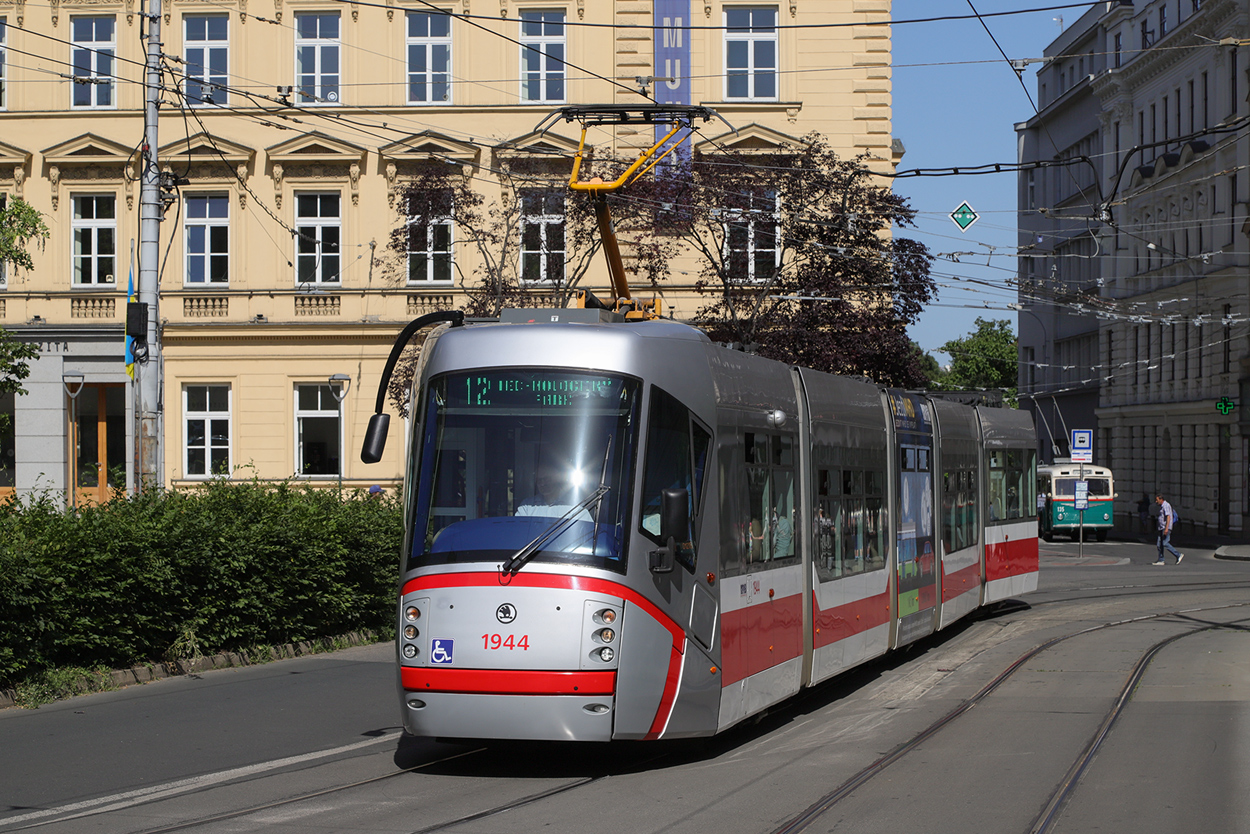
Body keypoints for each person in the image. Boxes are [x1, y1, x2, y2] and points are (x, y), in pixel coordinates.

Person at [517, 456, 593, 521]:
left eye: (546, 479)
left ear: (556, 478)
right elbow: (518, 531)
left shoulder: (575, 506)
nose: (543, 484)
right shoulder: (527, 507)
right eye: (539, 480)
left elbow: (587, 534)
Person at [1152, 493, 1183, 565]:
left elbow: (1168, 517)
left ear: (1161, 499)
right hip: (1161, 528)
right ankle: (1161, 560)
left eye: (1157, 500)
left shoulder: (1166, 505)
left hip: (1165, 528)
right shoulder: (1162, 506)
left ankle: (1178, 554)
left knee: (1165, 543)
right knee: (1159, 544)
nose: (1156, 502)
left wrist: (1166, 528)